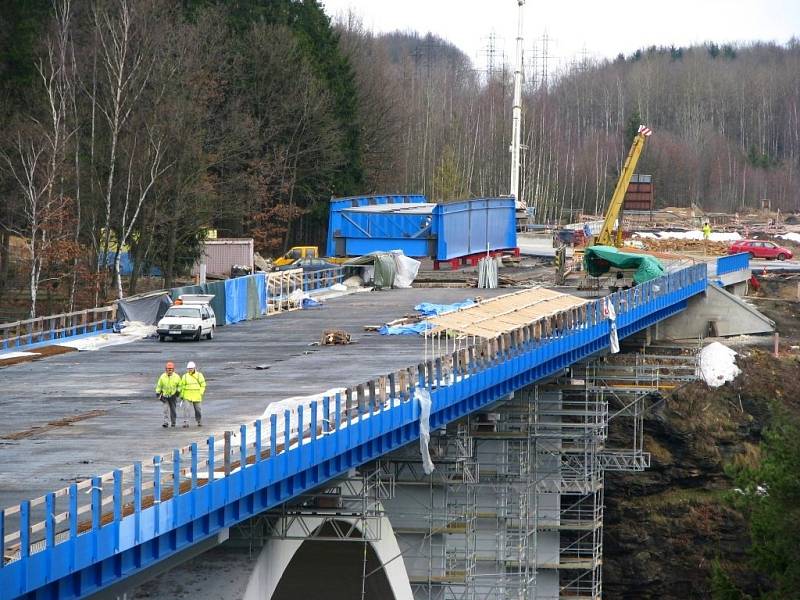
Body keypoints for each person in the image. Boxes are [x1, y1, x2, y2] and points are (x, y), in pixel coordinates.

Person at [155, 361, 181, 428]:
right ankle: (165, 422)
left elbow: (180, 385)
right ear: (166, 369)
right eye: (168, 369)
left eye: (171, 369)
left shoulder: (177, 377)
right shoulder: (162, 377)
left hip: (173, 396)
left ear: (173, 369)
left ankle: (173, 422)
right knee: (165, 410)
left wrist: (177, 392)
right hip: (165, 396)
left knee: (173, 410)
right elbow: (159, 386)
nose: (169, 370)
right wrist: (158, 393)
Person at [180, 361, 206, 427]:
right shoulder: (185, 376)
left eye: (191, 368)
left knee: (198, 410)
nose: (190, 370)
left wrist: (201, 392)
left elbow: (203, 384)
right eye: (189, 368)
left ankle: (199, 421)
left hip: (196, 395)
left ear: (194, 368)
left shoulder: (199, 375)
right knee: (186, 409)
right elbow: (182, 386)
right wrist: (182, 395)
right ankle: (186, 423)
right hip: (187, 395)